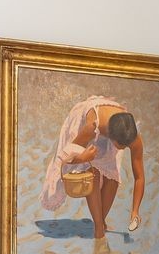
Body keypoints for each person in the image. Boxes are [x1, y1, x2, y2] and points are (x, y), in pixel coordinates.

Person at [40, 95, 146, 240]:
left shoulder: (133, 137)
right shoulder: (92, 127)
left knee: (113, 178)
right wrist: (82, 157)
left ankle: (101, 221)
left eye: (125, 147)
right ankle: (98, 229)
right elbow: (64, 158)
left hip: (116, 124)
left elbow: (139, 177)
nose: (122, 150)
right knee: (93, 174)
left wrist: (135, 211)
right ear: (110, 137)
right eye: (120, 146)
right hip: (88, 121)